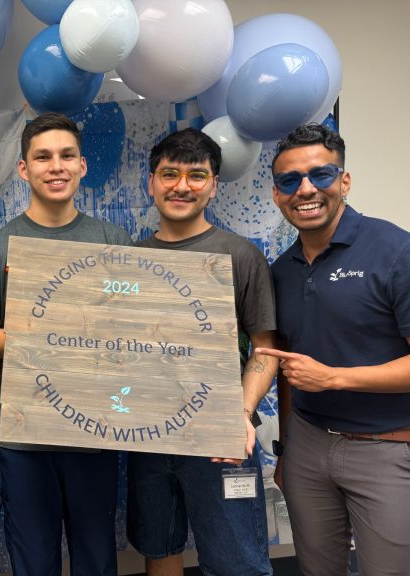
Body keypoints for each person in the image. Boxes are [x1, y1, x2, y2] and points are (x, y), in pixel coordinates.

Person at [0, 112, 131, 575]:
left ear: (82, 165)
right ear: (23, 169)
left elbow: (134, 331)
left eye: (66, 155)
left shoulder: (113, 241)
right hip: (27, 439)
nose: (56, 166)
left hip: (96, 432)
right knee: (34, 563)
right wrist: (50, 328)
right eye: (42, 157)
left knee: (97, 561)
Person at [256, 123, 410, 574]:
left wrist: (334, 377)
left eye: (320, 175)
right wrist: (287, 449)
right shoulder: (281, 270)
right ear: (277, 194)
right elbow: (287, 367)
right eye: (290, 180)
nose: (305, 190)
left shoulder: (396, 251)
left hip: (386, 448)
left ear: (344, 181)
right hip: (307, 445)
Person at [126, 129, 277, 576]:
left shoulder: (240, 255)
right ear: (151, 182)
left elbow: (266, 349)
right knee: (159, 548)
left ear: (213, 186)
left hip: (220, 436)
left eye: (196, 175)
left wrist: (240, 412)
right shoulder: (126, 260)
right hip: (148, 436)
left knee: (236, 561)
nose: (182, 186)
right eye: (169, 174)